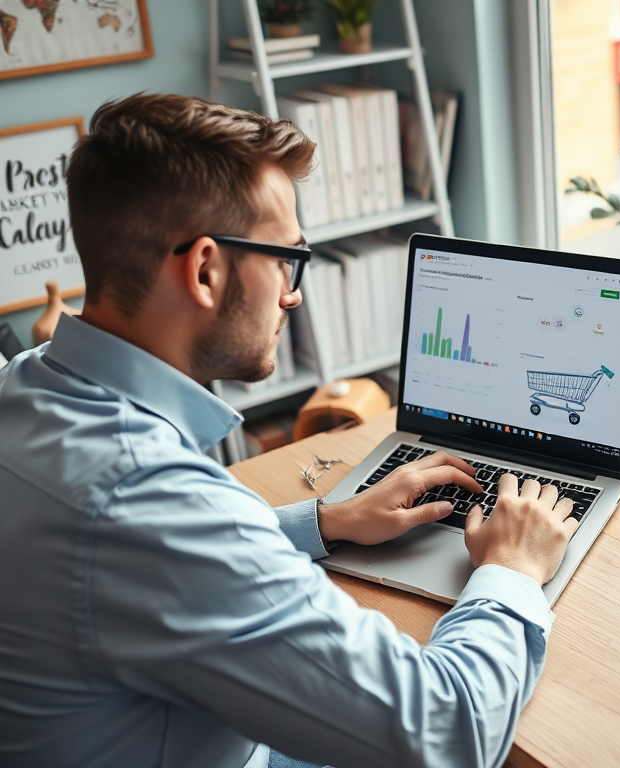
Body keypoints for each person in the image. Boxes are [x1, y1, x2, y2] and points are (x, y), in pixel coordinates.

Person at [0, 94, 578, 768]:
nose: (292, 293)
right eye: (286, 260)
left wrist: (324, 523)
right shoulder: (145, 500)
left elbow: (148, 564)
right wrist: (511, 569)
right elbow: (449, 733)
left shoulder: (27, 384)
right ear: (207, 270)